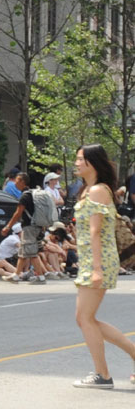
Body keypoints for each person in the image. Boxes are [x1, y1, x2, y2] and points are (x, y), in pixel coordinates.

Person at [70, 144, 135, 388]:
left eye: (80, 159)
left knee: (84, 318)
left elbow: (96, 231)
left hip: (99, 261)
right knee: (86, 318)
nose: (76, 164)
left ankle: (102, 375)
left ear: (92, 162)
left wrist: (96, 268)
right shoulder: (89, 190)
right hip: (92, 260)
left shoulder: (97, 191)